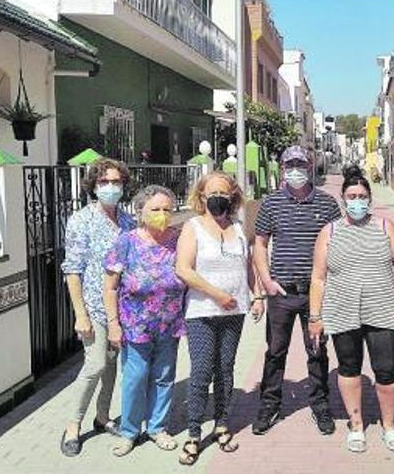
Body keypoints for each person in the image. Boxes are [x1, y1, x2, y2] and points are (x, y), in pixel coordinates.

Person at [308, 165, 394, 453]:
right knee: (349, 368)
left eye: (362, 195)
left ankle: (389, 426)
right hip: (342, 311)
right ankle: (356, 426)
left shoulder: (385, 227)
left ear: (370, 198)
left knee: (386, 370)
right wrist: (315, 317)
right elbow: (318, 277)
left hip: (382, 310)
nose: (357, 201)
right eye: (351, 195)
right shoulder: (329, 232)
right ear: (343, 199)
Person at [252, 145, 342, 435]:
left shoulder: (328, 204)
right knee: (275, 352)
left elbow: (337, 246)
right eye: (289, 165)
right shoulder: (271, 204)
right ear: (281, 169)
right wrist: (266, 282)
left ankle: (320, 404)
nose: (295, 171)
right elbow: (261, 245)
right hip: (281, 293)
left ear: (310, 167)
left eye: (300, 165)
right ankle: (269, 405)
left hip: (316, 295)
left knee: (317, 351)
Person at [175, 172, 263, 465]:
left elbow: (247, 265)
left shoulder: (238, 227)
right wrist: (217, 295)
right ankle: (193, 435)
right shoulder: (193, 227)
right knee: (201, 371)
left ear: (233, 196)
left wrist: (257, 295)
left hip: (234, 312)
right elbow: (183, 269)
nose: (218, 197)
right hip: (202, 312)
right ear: (201, 197)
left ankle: (222, 425)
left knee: (226, 369)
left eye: (223, 192)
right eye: (211, 192)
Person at [59, 159, 135, 457]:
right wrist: (80, 314)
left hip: (122, 309)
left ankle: (102, 418)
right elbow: (73, 269)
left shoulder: (128, 221)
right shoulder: (81, 220)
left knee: (112, 365)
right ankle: (72, 426)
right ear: (93, 186)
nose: (111, 187)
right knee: (95, 365)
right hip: (93, 306)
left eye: (116, 182)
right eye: (104, 182)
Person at [103, 185, 186, 457]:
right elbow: (111, 287)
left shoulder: (179, 239)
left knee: (164, 377)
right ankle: (129, 431)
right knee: (135, 378)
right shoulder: (126, 241)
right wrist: (113, 323)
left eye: (167, 209)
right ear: (140, 212)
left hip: (169, 323)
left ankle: (157, 428)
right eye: (155, 209)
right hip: (135, 326)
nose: (162, 214)